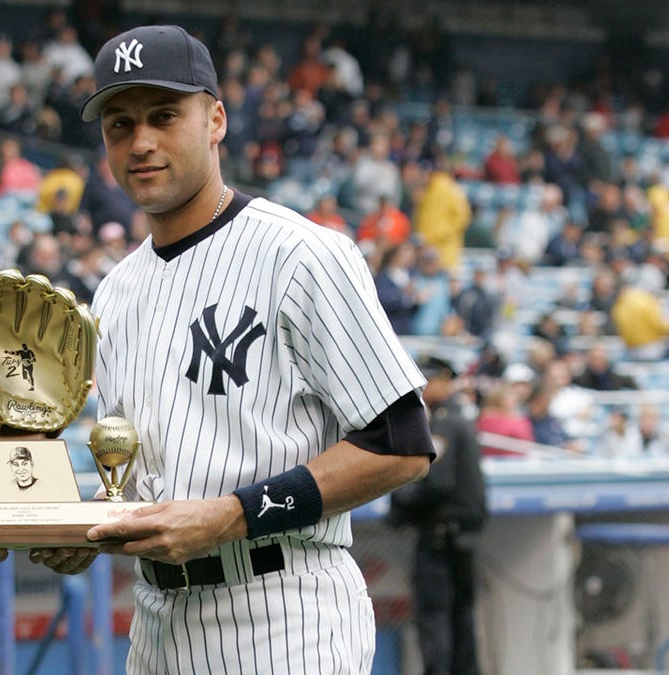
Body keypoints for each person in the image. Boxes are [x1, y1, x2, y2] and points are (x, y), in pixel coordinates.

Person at [28, 26, 433, 673]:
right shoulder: (113, 292)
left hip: (285, 608)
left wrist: (229, 516)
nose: (142, 142)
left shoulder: (301, 254)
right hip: (157, 622)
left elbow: (401, 444)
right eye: (119, 124)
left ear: (215, 118)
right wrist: (84, 531)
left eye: (164, 116)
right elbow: (155, 481)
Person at [388, 355, 487, 675]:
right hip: (461, 541)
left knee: (437, 622)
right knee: (462, 621)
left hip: (441, 541)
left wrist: (400, 503)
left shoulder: (444, 422)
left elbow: (437, 482)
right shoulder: (460, 419)